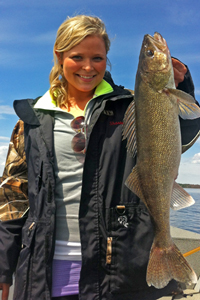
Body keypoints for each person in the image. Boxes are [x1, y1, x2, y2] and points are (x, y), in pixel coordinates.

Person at [0, 15, 200, 300]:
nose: (87, 66)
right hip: (42, 271)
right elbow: (12, 196)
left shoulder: (129, 105)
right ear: (59, 56)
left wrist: (183, 89)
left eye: (97, 57)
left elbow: (178, 138)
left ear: (107, 59)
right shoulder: (31, 120)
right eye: (77, 56)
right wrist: (4, 265)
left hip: (116, 271)